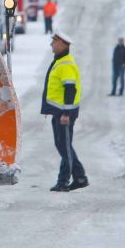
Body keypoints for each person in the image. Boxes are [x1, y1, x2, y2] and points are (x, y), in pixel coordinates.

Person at [42, 30, 88, 192]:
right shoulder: (61, 61)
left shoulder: (66, 64)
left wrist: (66, 113)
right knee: (62, 145)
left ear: (62, 44)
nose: (51, 44)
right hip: (60, 112)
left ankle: (65, 181)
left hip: (64, 113)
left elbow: (70, 89)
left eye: (54, 41)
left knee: (65, 146)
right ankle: (79, 177)